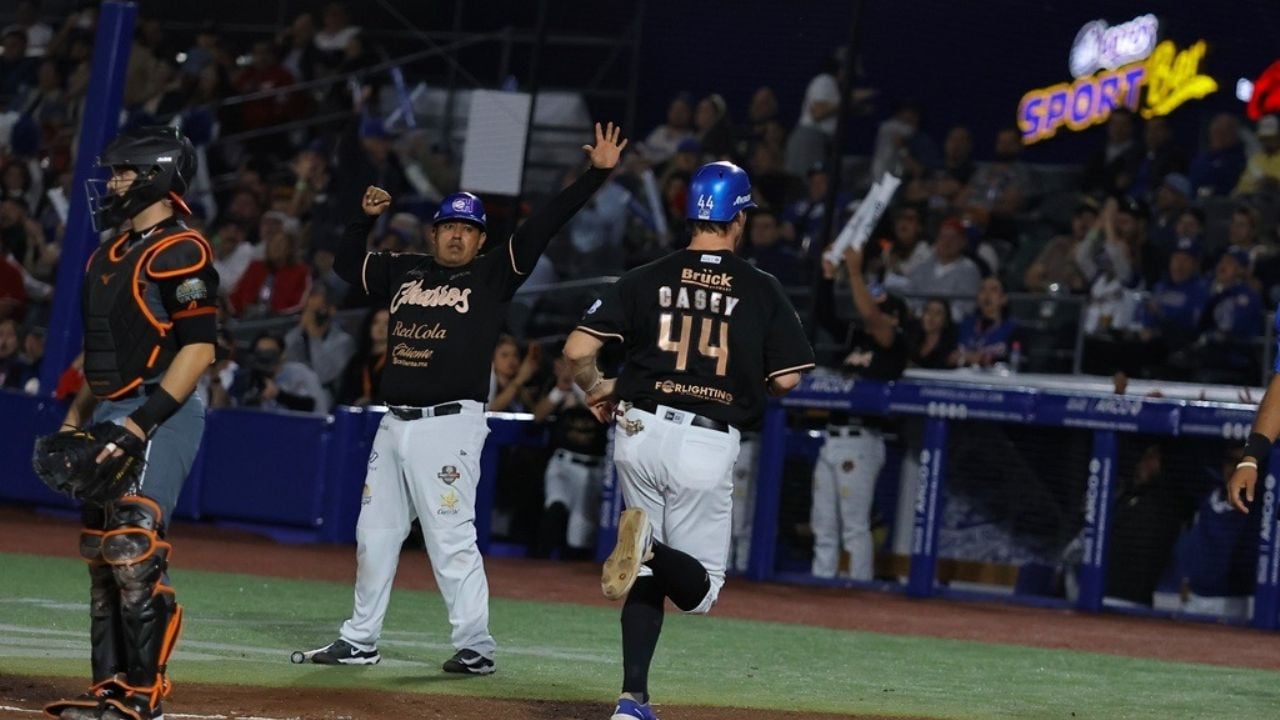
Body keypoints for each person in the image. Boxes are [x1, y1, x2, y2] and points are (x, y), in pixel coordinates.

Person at [300, 122, 627, 675]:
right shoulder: (403, 269)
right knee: (374, 535)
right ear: (432, 234)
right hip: (394, 423)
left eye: (467, 229)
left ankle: (477, 645)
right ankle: (359, 639)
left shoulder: (494, 273)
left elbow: (545, 224)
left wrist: (594, 176)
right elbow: (346, 266)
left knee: (450, 536)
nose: (456, 236)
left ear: (481, 239)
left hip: (450, 424)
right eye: (448, 226)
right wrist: (363, 218)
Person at [563, 160, 815, 720]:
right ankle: (648, 547)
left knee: (648, 579)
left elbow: (578, 350)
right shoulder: (761, 288)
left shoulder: (647, 275)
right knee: (701, 593)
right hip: (704, 440)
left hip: (638, 429)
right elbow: (788, 380)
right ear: (739, 218)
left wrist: (597, 387)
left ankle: (632, 700)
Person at [44, 126, 218, 720]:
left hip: (160, 410)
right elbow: (103, 353)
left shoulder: (181, 249)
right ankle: (109, 691)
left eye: (123, 173)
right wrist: (75, 419)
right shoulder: (108, 253)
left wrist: (139, 424)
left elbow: (200, 349)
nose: (113, 183)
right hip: (111, 410)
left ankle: (144, 697)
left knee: (132, 548)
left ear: (156, 177)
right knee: (101, 554)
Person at [809, 244, 909, 580]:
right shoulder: (857, 339)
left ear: (894, 318)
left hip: (862, 440)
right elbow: (825, 315)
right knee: (823, 524)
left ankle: (859, 590)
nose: (870, 314)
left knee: (854, 526)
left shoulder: (893, 343)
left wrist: (854, 271)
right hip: (832, 437)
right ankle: (820, 587)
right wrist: (827, 278)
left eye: (881, 310)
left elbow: (872, 317)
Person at [532, 355, 609, 560]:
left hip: (593, 470)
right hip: (563, 463)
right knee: (554, 509)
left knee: (579, 536)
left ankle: (568, 576)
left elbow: (603, 413)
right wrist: (560, 389)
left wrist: (577, 386)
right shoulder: (561, 388)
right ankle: (537, 568)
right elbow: (538, 415)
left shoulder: (605, 389)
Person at [223, 333, 328, 415]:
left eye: (270, 353)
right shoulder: (244, 377)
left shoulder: (300, 374)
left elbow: (313, 408)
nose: (265, 357)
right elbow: (231, 407)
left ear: (282, 355)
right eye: (260, 353)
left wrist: (279, 395)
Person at [284, 283, 356, 404]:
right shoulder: (298, 336)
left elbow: (322, 375)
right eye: (308, 310)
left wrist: (314, 337)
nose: (310, 316)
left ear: (332, 310)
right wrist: (300, 329)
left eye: (317, 310)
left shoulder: (343, 341)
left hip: (327, 401)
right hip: (296, 396)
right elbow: (285, 360)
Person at [952, 276, 1019, 368]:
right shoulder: (964, 325)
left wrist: (973, 358)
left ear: (1004, 298)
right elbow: (950, 357)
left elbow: (1013, 361)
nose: (987, 295)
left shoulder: (1013, 330)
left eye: (993, 290)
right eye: (982, 290)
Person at [337, 307, 389, 406]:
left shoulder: (399, 362)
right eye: (375, 322)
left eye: (387, 323)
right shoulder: (357, 361)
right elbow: (343, 395)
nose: (380, 327)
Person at [1234, 114, 1280, 196]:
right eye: (1264, 138)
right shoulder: (1255, 160)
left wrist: (1274, 183)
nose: (1268, 142)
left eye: (1271, 138)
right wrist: (1258, 185)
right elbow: (1242, 187)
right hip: (1255, 199)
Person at [908, 298, 958, 369]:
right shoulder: (911, 339)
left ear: (946, 320)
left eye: (938, 313)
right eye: (928, 311)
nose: (931, 317)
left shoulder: (950, 349)